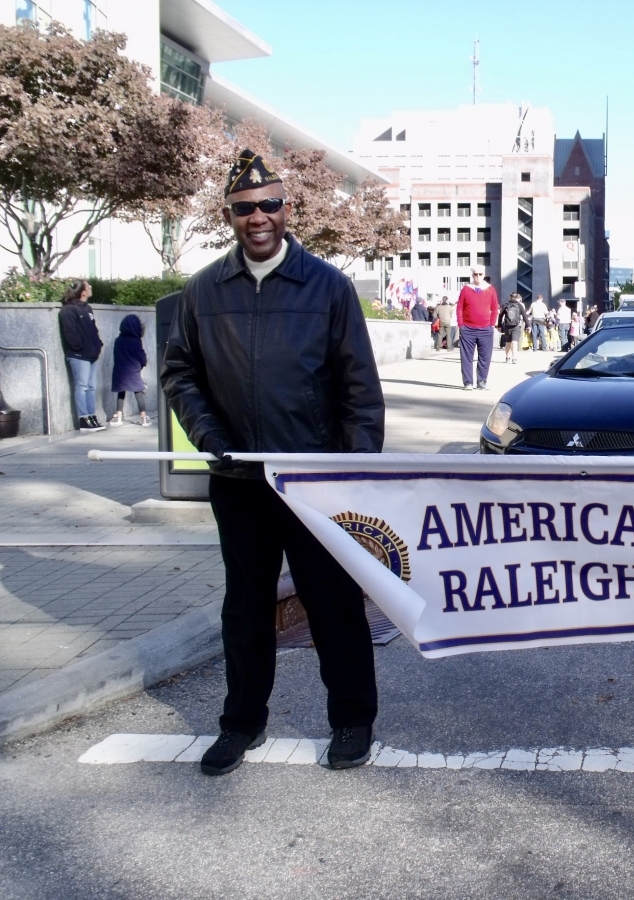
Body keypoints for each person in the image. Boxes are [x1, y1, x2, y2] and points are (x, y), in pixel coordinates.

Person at [161, 149, 385, 776]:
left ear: (287, 208)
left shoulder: (328, 287)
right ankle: (241, 723)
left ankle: (352, 720)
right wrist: (208, 434)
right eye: (243, 208)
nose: (257, 216)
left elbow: (359, 389)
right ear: (229, 214)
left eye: (269, 204)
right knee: (246, 606)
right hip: (239, 480)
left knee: (333, 602)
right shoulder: (204, 290)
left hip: (313, 480)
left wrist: (354, 471)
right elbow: (180, 372)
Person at [58, 280, 105, 432]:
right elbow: (70, 333)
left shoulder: (88, 309)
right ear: (83, 292)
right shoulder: (68, 310)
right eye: (88, 286)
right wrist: (80, 347)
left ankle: (91, 416)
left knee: (91, 387)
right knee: (82, 386)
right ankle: (83, 419)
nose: (91, 288)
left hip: (91, 353)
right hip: (79, 355)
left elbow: (93, 329)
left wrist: (98, 344)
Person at [457, 265, 499, 390]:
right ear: (472, 275)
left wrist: (491, 324)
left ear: (484, 275)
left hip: (485, 329)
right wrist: (461, 325)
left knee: (485, 357)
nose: (478, 277)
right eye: (476, 274)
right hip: (468, 329)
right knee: (466, 357)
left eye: (480, 274)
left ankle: (482, 381)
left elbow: (495, 308)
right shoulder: (466, 289)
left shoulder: (490, 289)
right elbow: (459, 307)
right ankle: (468, 382)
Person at [110, 313, 150, 427]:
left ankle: (118, 417)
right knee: (139, 391)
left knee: (121, 393)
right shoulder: (136, 341)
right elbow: (141, 356)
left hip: (120, 370)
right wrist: (142, 364)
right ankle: (144, 418)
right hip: (133, 370)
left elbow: (116, 355)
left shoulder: (118, 340)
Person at [500, 292, 528, 365]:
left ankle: (507, 357)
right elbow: (525, 316)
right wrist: (528, 326)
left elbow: (500, 316)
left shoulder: (505, 305)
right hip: (516, 326)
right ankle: (514, 358)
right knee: (515, 342)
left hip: (507, 326)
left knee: (508, 342)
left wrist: (499, 325)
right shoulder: (519, 306)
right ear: (517, 297)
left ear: (510, 297)